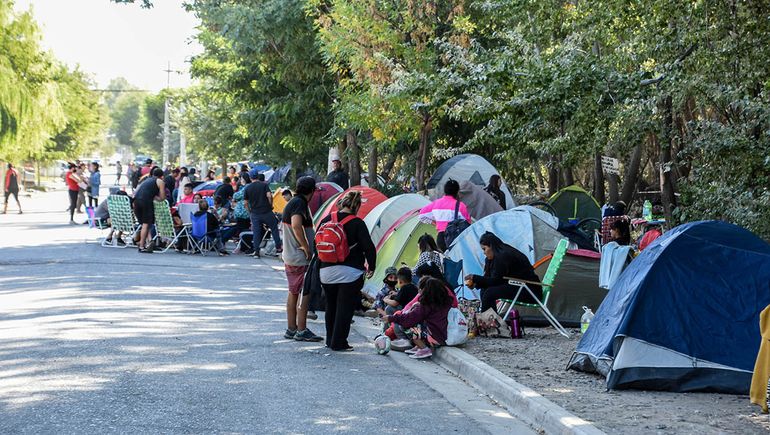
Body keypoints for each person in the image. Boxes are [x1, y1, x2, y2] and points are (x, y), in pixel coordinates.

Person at [319, 190, 376, 351]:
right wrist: (371, 267)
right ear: (356, 206)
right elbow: (369, 248)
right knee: (345, 307)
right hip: (350, 273)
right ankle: (339, 342)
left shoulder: (326, 220)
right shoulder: (357, 223)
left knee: (331, 305)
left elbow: (316, 245)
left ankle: (330, 340)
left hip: (326, 271)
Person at [281, 176, 323, 342]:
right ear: (311, 191)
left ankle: (291, 328)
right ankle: (301, 329)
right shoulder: (299, 203)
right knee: (304, 293)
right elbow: (297, 224)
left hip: (291, 255)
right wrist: (306, 246)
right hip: (299, 257)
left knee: (293, 292)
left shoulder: (292, 202)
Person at [464, 232, 542, 312]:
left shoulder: (503, 256)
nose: (484, 252)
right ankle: (490, 319)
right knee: (485, 290)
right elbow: (493, 279)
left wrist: (475, 278)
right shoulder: (497, 256)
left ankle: (488, 322)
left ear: (491, 246)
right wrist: (476, 283)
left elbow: (496, 281)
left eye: (484, 249)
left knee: (489, 293)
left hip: (530, 291)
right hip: (518, 286)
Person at [381, 277, 453, 359]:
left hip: (434, 337)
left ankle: (424, 348)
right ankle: (418, 346)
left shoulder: (426, 304)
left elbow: (409, 319)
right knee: (419, 324)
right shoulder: (445, 303)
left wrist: (391, 318)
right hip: (443, 336)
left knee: (407, 326)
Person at [419, 180, 470, 251]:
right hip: (455, 238)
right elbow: (468, 224)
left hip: (441, 239)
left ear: (445, 191)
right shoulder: (461, 206)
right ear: (457, 192)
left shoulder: (436, 204)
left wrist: (435, 223)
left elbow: (421, 215)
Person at [244, 172, 281, 258]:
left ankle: (256, 251)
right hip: (267, 212)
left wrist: (250, 212)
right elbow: (269, 195)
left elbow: (245, 203)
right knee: (274, 228)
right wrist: (270, 205)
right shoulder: (264, 185)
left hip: (255, 213)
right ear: (257, 176)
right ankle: (278, 247)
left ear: (250, 177)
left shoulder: (248, 188)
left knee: (256, 232)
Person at [133, 167, 166, 253]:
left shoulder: (146, 180)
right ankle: (141, 246)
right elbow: (162, 198)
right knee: (146, 224)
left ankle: (150, 242)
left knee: (144, 224)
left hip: (136, 202)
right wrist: (156, 197)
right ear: (162, 176)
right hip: (146, 202)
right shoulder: (160, 181)